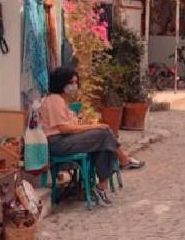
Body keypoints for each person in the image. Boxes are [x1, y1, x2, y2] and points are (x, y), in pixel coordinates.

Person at [40, 66, 144, 205]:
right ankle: (124, 160)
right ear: (61, 83)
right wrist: (93, 127)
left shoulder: (61, 100)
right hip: (58, 143)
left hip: (66, 139)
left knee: (104, 144)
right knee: (103, 132)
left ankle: (102, 186)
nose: (74, 86)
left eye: (76, 82)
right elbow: (64, 128)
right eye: (71, 83)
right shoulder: (54, 100)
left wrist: (89, 126)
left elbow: (71, 125)